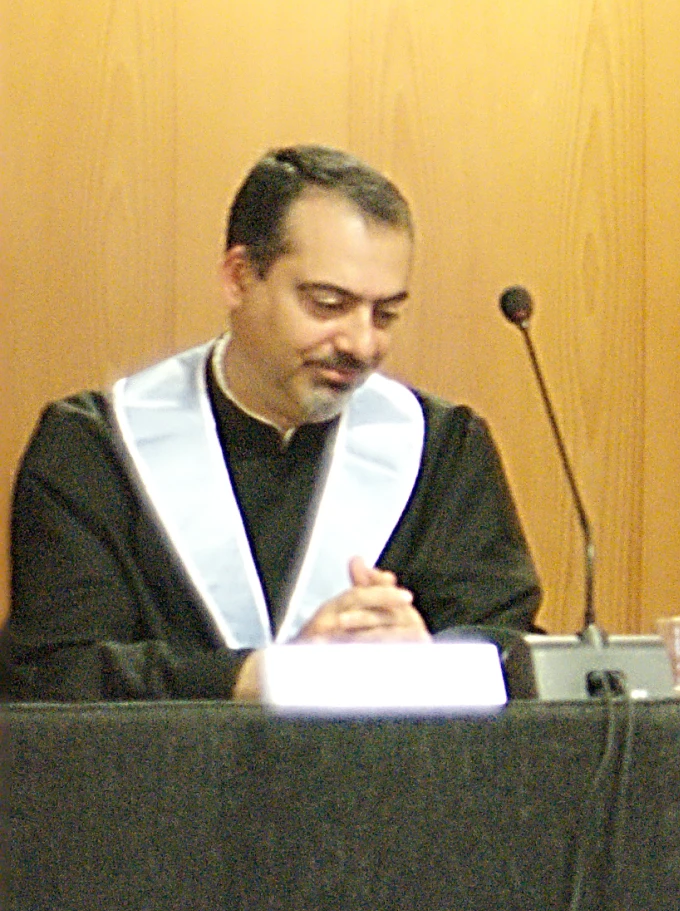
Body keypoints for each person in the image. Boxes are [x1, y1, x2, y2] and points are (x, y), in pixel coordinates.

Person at [0, 146, 541, 702]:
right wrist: (256, 679)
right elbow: (55, 675)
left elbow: (511, 649)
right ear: (239, 278)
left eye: (386, 314)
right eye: (328, 304)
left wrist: (429, 662)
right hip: (161, 784)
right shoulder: (96, 449)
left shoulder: (444, 450)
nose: (362, 343)